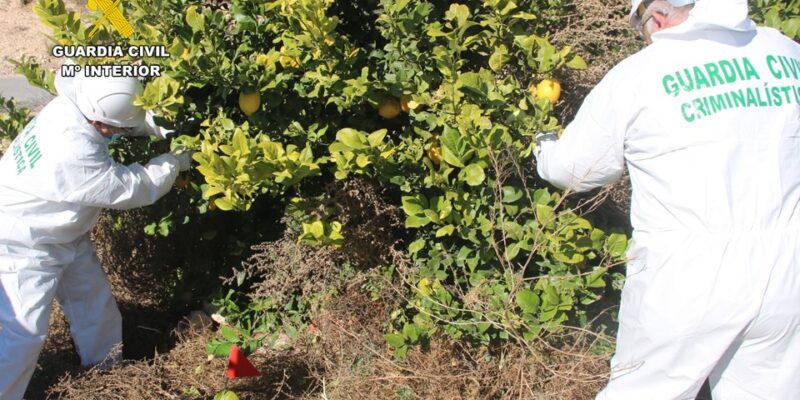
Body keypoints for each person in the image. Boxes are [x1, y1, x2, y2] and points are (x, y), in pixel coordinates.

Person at [535, 0, 800, 398]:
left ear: (655, 18)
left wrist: (543, 146)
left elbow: (574, 170)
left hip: (689, 275)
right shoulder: (785, 53)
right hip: (788, 267)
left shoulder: (640, 74)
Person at [0, 69, 192, 399]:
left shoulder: (72, 103)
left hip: (61, 231)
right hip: (23, 242)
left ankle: (107, 371)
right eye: (113, 128)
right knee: (24, 333)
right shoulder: (72, 155)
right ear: (99, 122)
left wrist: (151, 124)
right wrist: (173, 162)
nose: (115, 133)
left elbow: (114, 113)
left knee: (94, 304)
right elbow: (134, 188)